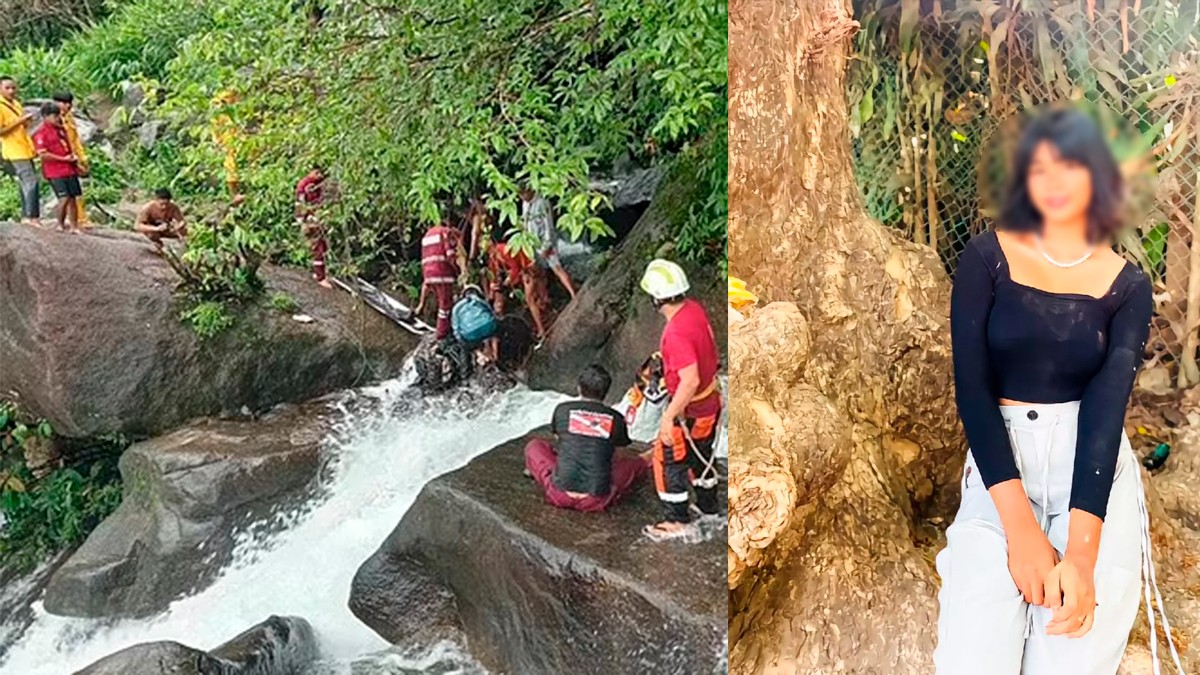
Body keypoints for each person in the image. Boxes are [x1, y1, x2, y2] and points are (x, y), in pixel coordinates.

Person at [934, 108, 1182, 674]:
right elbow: (972, 390)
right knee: (973, 653)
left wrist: (1080, 553)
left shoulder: (1128, 286)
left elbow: (1105, 408)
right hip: (1002, 467)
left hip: (1091, 474)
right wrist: (1020, 532)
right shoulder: (986, 258)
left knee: (1070, 650)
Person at [639, 259, 723, 540]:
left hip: (691, 407)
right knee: (702, 452)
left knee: (667, 458)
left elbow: (690, 380)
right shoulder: (693, 309)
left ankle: (677, 520)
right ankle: (709, 507)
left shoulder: (674, 332)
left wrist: (668, 415)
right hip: (710, 402)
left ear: (656, 298)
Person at [524, 365, 648, 512]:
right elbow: (621, 445)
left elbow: (559, 437)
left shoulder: (563, 409)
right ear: (606, 393)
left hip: (559, 495)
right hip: (597, 500)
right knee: (636, 463)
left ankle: (535, 471)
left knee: (534, 446)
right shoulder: (616, 418)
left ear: (579, 388)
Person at [32, 104, 82, 234]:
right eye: (55, 116)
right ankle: (59, 224)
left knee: (73, 198)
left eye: (58, 115)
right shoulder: (40, 134)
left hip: (69, 168)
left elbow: (68, 147)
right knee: (63, 197)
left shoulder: (61, 130)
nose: (58, 118)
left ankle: (74, 226)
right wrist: (64, 159)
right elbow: (43, 155)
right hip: (54, 171)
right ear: (45, 117)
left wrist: (75, 162)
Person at [520, 187, 576, 301]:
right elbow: (525, 223)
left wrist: (546, 246)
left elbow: (548, 226)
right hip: (533, 242)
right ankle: (545, 299)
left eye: (523, 194)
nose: (522, 197)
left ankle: (573, 294)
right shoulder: (525, 204)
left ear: (529, 190)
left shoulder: (542, 202)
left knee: (557, 267)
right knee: (538, 273)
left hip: (545, 241)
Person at [0, 76, 40, 226]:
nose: (11, 91)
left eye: (13, 88)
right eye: (7, 88)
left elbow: (22, 125)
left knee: (26, 182)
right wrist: (21, 121)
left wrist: (27, 121)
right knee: (31, 181)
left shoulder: (16, 104)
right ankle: (32, 217)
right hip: (14, 149)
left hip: (24, 146)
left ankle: (26, 216)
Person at [416, 218, 461, 340]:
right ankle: (441, 334)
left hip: (428, 274)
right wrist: (458, 271)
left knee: (441, 301)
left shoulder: (427, 235)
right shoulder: (446, 232)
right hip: (442, 273)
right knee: (445, 305)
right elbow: (450, 255)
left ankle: (442, 326)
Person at [52, 93, 90, 228]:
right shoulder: (53, 120)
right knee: (65, 192)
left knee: (76, 190)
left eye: (69, 103)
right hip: (61, 159)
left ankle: (81, 218)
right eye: (63, 102)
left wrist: (82, 157)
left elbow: (76, 139)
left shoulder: (69, 118)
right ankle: (71, 219)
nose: (67, 106)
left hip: (73, 156)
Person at [295, 167, 331, 288]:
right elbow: (300, 204)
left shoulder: (318, 184)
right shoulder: (304, 185)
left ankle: (318, 272)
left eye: (321, 173)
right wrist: (303, 220)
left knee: (323, 247)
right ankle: (321, 278)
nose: (319, 175)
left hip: (318, 218)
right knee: (318, 248)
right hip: (310, 220)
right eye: (317, 173)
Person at [210, 90, 241, 198]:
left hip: (242, 142)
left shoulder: (239, 109)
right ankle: (235, 196)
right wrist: (218, 143)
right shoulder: (219, 113)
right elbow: (215, 130)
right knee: (231, 168)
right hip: (229, 144)